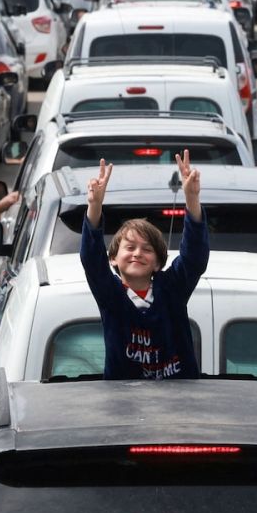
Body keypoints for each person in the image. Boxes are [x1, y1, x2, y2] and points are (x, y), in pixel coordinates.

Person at [80, 152, 207, 380]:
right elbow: (91, 260)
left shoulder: (171, 289)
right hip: (123, 407)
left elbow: (194, 259)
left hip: (180, 403)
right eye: (129, 248)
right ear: (113, 259)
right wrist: (94, 205)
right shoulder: (111, 294)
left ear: (158, 263)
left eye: (147, 249)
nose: (137, 253)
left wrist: (192, 199)